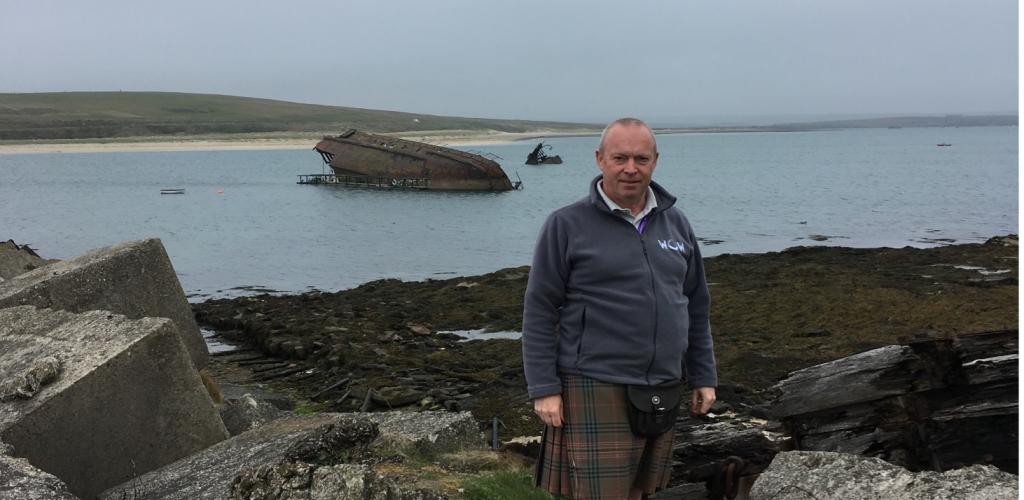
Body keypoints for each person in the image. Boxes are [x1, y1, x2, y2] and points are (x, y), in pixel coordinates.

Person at [522, 117, 718, 499]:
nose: (631, 168)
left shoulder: (676, 223)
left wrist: (703, 375)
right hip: (594, 381)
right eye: (620, 158)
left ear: (655, 161)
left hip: (663, 382)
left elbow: (695, 304)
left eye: (641, 158)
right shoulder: (566, 224)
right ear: (600, 159)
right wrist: (544, 387)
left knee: (640, 493)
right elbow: (540, 310)